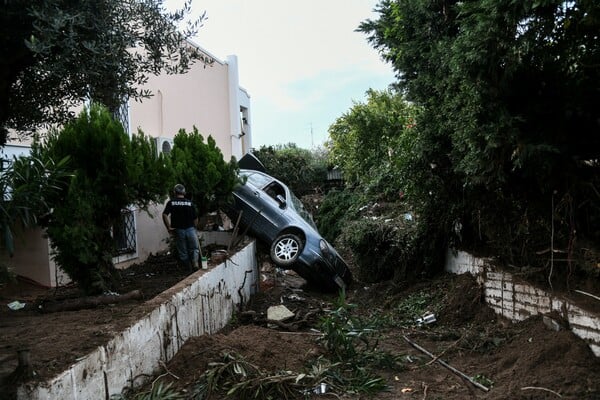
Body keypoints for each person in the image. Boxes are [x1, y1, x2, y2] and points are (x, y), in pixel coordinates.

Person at [162, 184, 200, 270]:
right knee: (194, 248)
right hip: (190, 229)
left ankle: (187, 268)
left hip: (178, 230)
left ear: (174, 192)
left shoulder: (171, 202)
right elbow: (196, 218)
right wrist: (194, 227)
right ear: (184, 192)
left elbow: (164, 215)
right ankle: (195, 264)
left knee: (183, 251)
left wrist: (168, 227)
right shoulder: (190, 203)